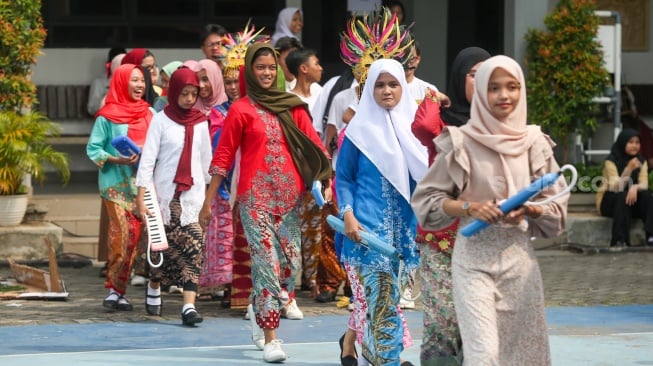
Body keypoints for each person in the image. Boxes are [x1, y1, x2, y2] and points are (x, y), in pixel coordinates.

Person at [411, 55, 568, 365]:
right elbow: (427, 200)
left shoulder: (535, 142)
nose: (504, 95)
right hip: (473, 261)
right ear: (481, 92)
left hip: (519, 262)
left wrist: (530, 210)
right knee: (483, 354)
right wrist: (469, 207)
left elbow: (556, 210)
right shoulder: (460, 142)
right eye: (494, 88)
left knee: (523, 355)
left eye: (512, 87)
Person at [199, 43, 331, 363]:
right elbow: (224, 157)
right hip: (254, 197)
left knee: (289, 265)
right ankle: (271, 336)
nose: (267, 73)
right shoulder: (241, 109)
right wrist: (207, 201)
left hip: (289, 199)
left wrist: (327, 179)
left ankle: (258, 312)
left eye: (272, 67)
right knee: (265, 265)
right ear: (249, 71)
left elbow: (314, 144)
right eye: (260, 67)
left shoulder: (292, 106)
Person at [336, 58, 427, 366]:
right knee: (383, 302)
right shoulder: (357, 131)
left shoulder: (415, 128)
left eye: (393, 84)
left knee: (382, 302)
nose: (387, 91)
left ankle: (370, 354)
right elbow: (344, 177)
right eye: (379, 84)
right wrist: (348, 214)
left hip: (404, 232)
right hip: (366, 231)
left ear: (404, 86)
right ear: (368, 89)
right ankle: (386, 361)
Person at [411, 46, 491, 366]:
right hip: (440, 234)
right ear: (460, 79)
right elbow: (422, 127)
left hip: (482, 236)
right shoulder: (442, 121)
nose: (482, 82)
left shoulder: (496, 124)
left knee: (477, 318)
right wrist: (434, 98)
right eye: (474, 75)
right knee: (442, 316)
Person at [135, 67, 212, 326]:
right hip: (164, 196)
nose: (190, 99)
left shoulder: (201, 122)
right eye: (185, 94)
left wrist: (209, 197)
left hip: (192, 196)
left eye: (194, 94)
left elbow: (205, 162)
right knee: (161, 248)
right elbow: (147, 161)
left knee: (194, 247)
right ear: (174, 92)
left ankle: (188, 306)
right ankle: (155, 285)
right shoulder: (160, 120)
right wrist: (141, 196)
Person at [86, 63, 154, 313]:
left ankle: (120, 291)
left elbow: (159, 147)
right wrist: (117, 159)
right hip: (115, 186)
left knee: (134, 240)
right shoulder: (107, 116)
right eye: (134, 80)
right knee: (121, 237)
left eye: (142, 81)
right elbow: (93, 149)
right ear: (121, 82)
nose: (140, 85)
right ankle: (114, 288)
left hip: (141, 188)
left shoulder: (150, 114)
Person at [596, 128, 653, 249]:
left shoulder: (641, 161)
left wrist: (635, 187)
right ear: (622, 143)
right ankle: (620, 240)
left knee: (647, 196)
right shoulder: (611, 161)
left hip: (630, 200)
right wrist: (629, 169)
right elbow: (617, 187)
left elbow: (644, 184)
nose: (634, 146)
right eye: (630, 142)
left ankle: (651, 236)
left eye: (637, 142)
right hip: (609, 201)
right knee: (621, 196)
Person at [87, 47, 127, 116]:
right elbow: (92, 109)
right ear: (109, 64)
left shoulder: (132, 81)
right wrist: (108, 96)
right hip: (107, 120)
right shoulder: (99, 82)